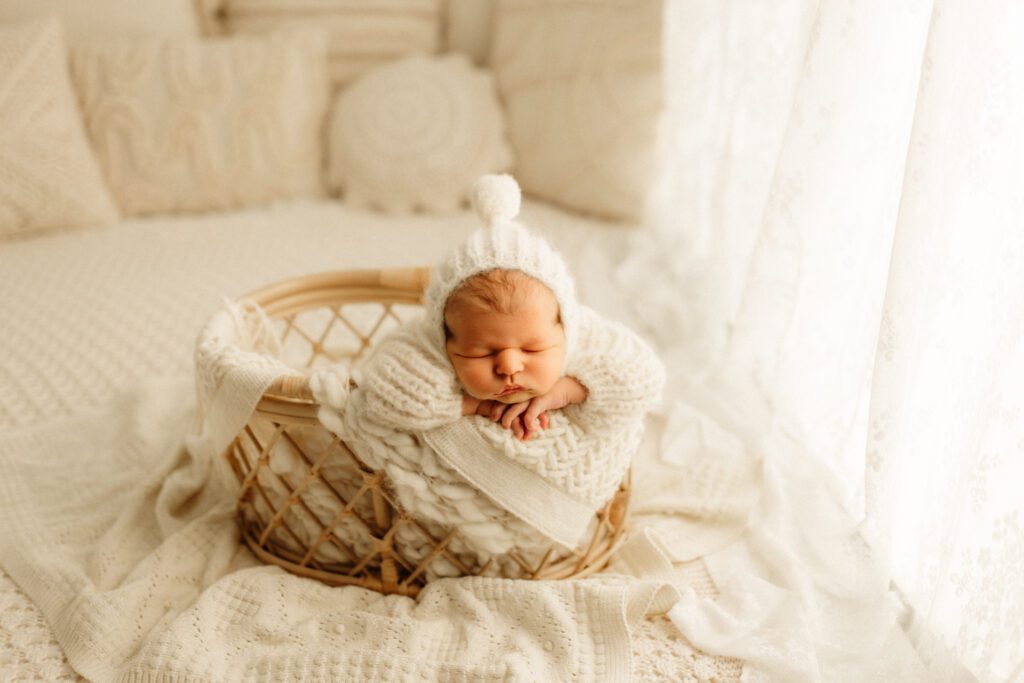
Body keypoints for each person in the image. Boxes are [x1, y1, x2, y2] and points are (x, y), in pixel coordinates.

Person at [317, 174, 665, 573]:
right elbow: (384, 389)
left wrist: (566, 390)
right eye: (482, 353)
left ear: (565, 327)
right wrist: (469, 404)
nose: (509, 366)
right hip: (446, 529)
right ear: (445, 339)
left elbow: (643, 375)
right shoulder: (423, 344)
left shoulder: (584, 336)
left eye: (533, 348)